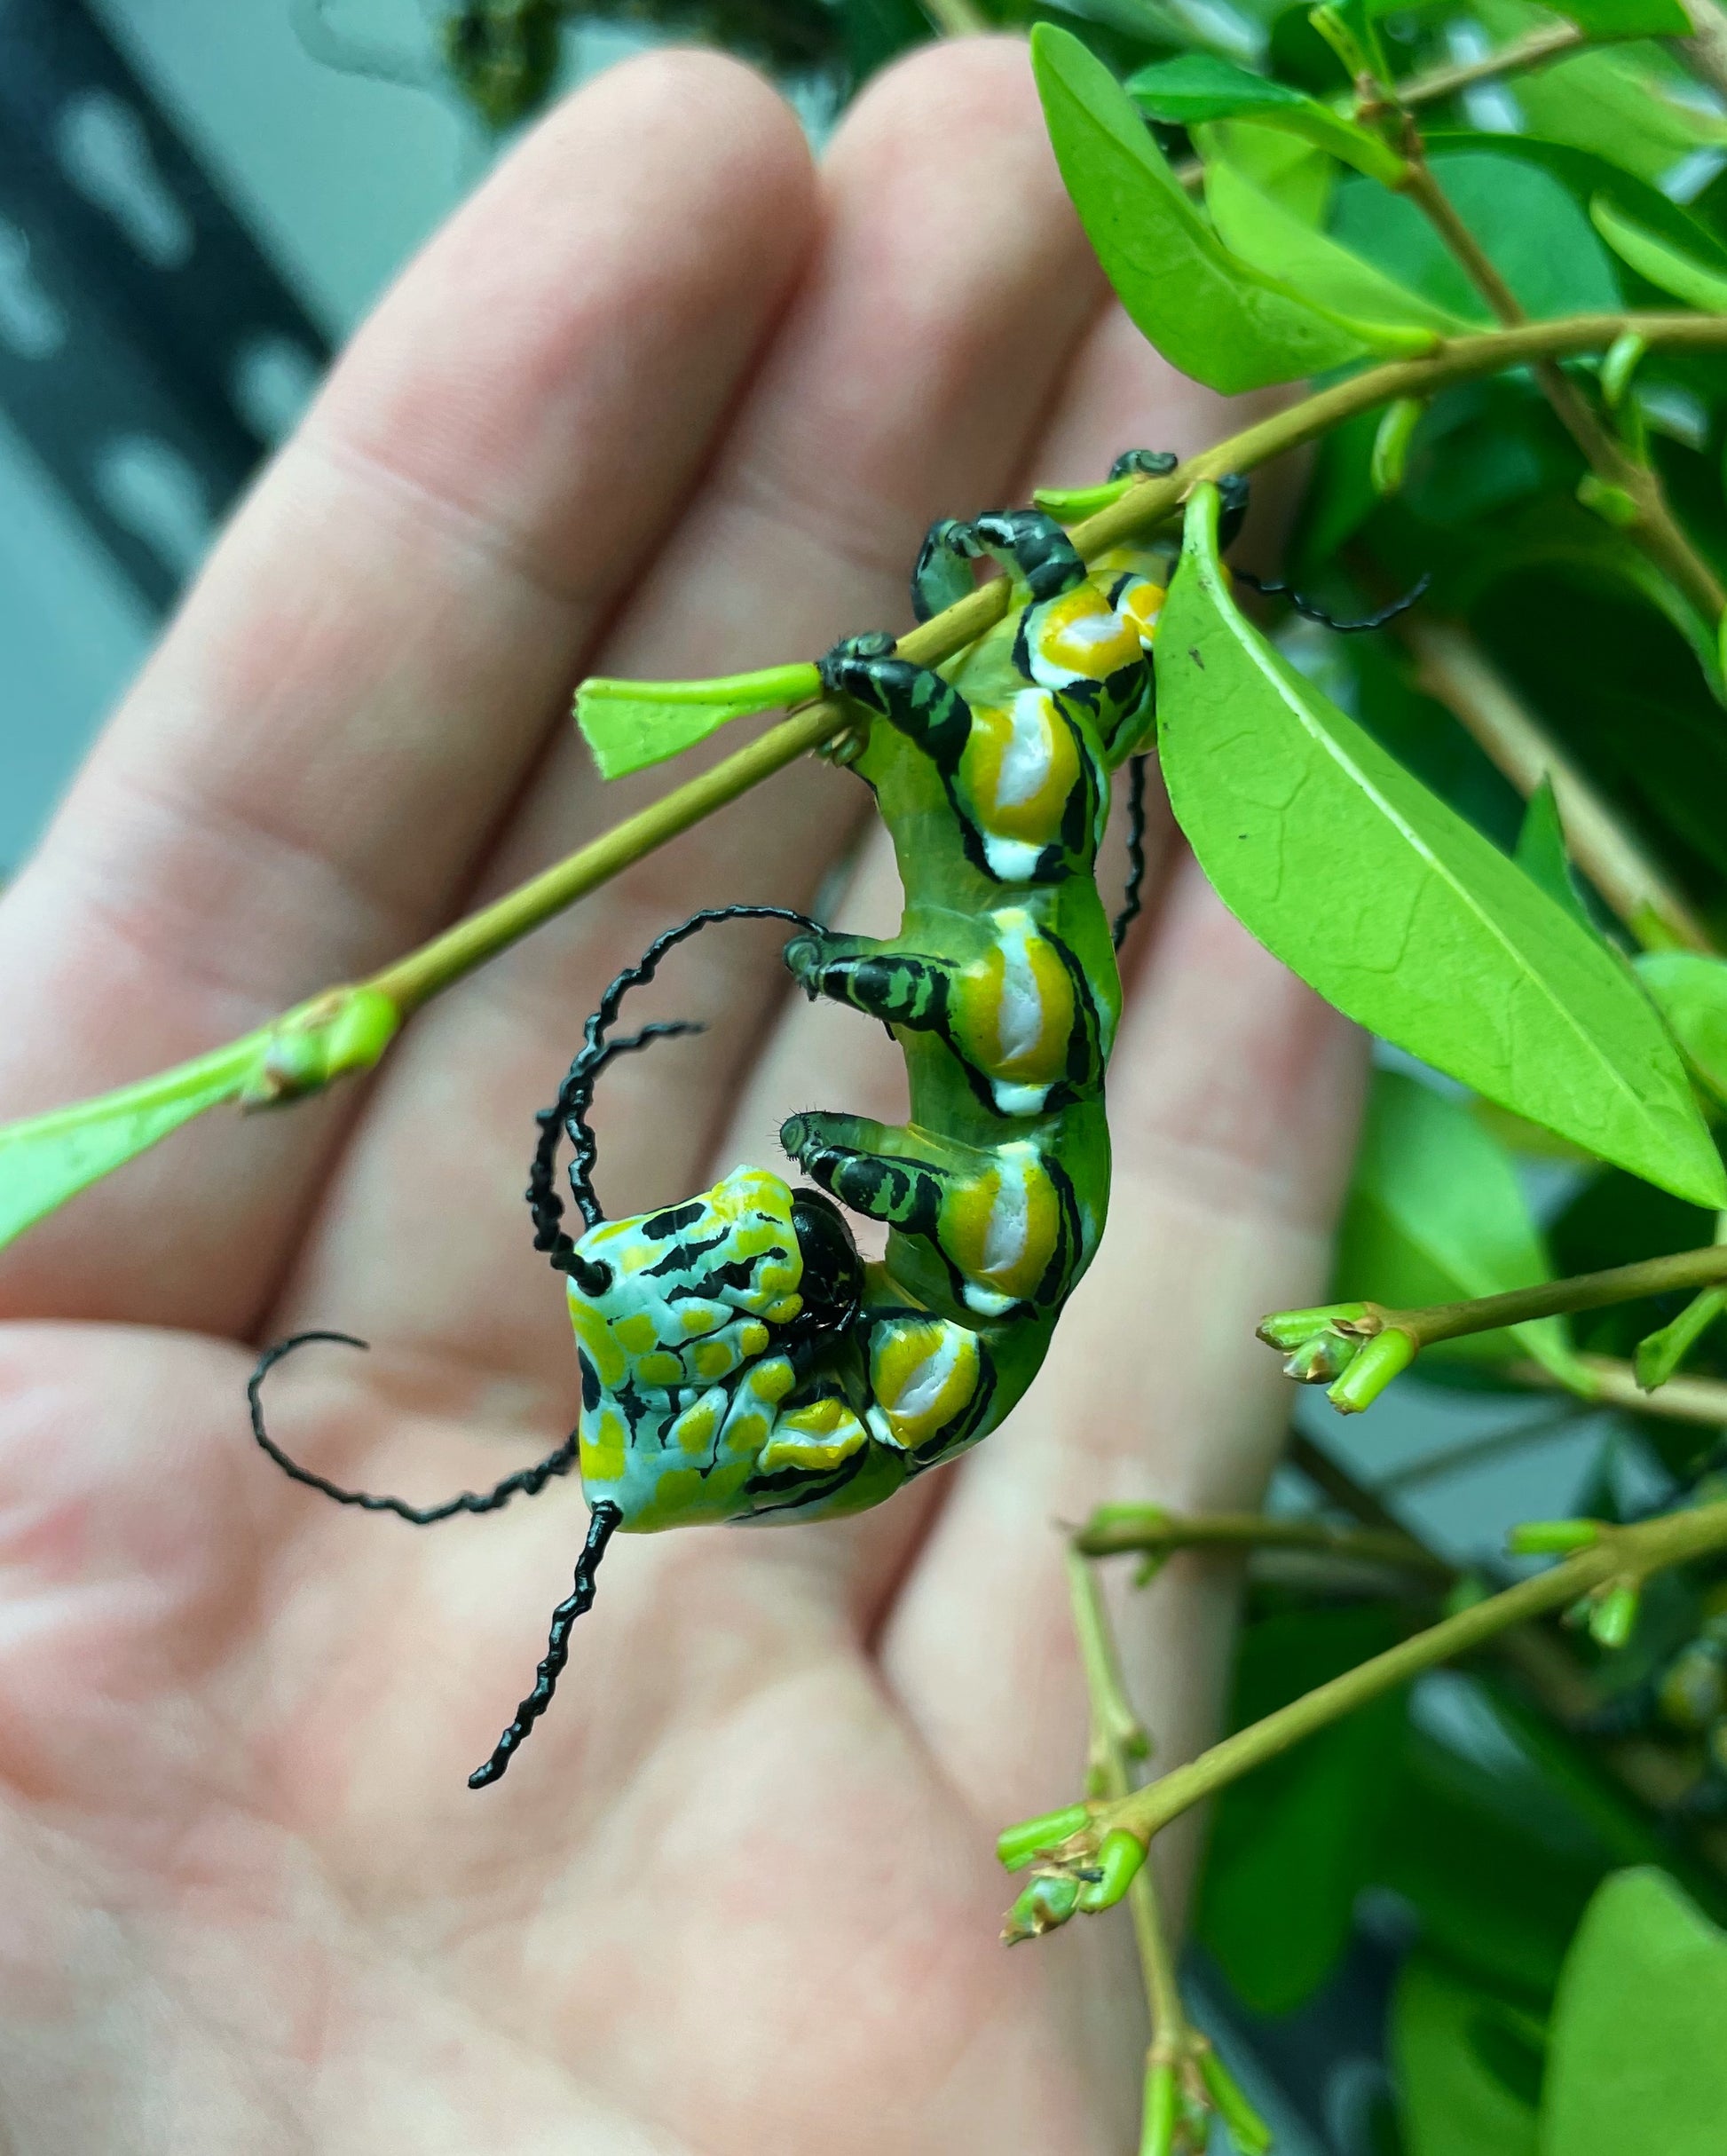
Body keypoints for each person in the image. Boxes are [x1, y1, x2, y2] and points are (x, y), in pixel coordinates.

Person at [0, 37, 1361, 2152]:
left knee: (969, 883)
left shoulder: (914, 1253)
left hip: (983, 880)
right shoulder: (944, 1246)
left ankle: (1042, 680)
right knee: (977, 900)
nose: (741, 1234)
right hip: (990, 887)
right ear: (788, 1394)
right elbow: (919, 1076)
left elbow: (875, 1115)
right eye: (714, 1315)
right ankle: (1054, 677)